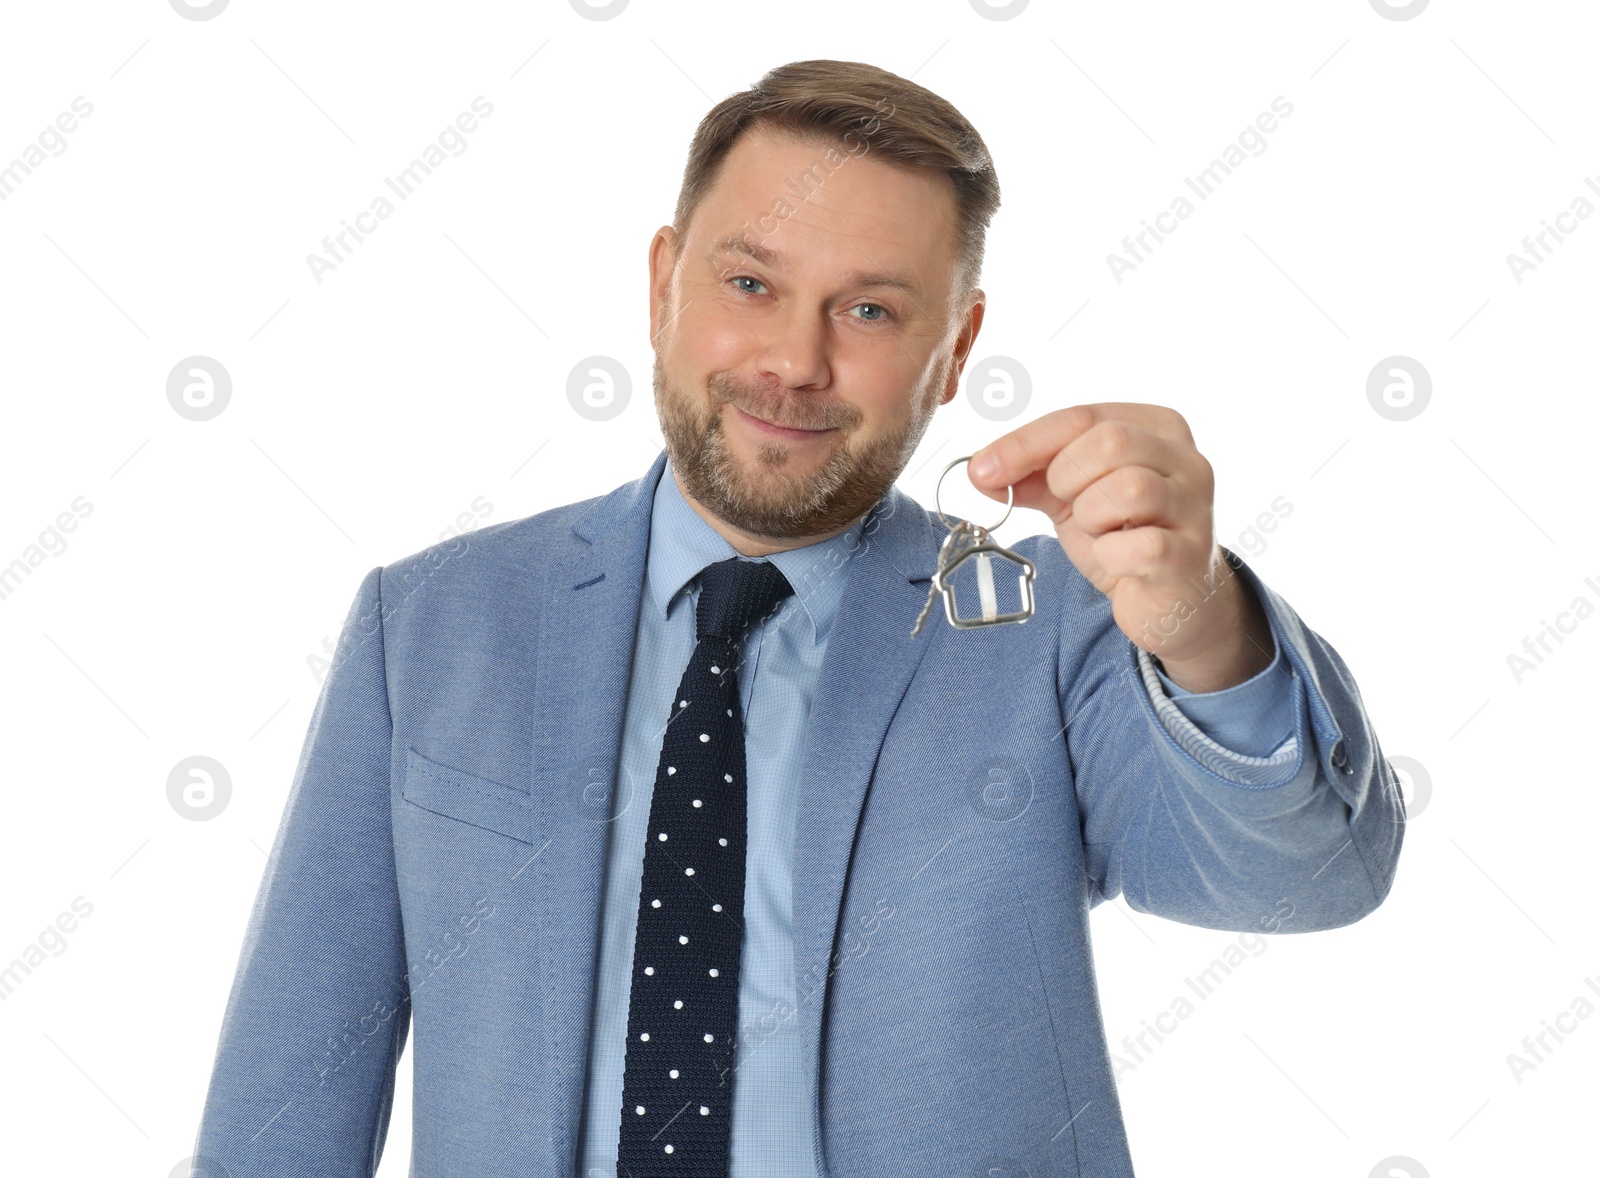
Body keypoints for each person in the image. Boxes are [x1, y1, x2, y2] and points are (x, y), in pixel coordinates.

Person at [193, 58, 1405, 1178]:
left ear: (955, 345)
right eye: (749, 283)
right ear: (665, 284)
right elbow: (291, 1082)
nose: (793, 360)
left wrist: (1200, 631)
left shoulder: (1045, 626)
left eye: (870, 311)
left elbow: (1307, 882)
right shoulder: (432, 622)